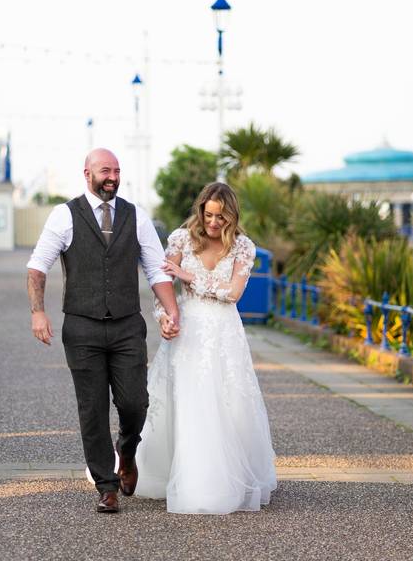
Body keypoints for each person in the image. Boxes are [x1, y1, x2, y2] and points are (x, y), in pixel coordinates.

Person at [26, 148, 180, 514]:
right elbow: (37, 266)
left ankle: (127, 450)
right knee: (92, 409)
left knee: (135, 403)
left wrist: (172, 311)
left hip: (127, 325)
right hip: (82, 327)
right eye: (104, 171)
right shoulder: (64, 215)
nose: (112, 177)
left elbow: (157, 269)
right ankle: (106, 486)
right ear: (87, 173)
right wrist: (38, 313)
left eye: (117, 171)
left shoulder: (135, 215)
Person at [134, 182, 277, 514]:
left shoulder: (243, 247)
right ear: (200, 210)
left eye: (220, 217)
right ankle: (175, 474)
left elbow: (234, 293)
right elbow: (162, 284)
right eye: (208, 214)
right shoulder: (181, 239)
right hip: (187, 329)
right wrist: (164, 317)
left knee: (230, 406)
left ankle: (225, 480)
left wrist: (188, 275)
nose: (213, 223)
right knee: (186, 402)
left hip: (225, 334)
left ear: (232, 216)